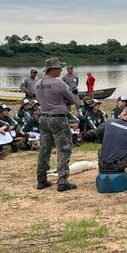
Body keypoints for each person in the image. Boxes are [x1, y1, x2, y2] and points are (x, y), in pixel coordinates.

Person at [35, 57, 79, 192]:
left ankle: (41, 180)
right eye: (59, 68)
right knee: (64, 149)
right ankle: (62, 181)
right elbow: (72, 98)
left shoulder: (38, 84)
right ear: (53, 69)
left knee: (44, 149)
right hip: (58, 118)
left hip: (43, 118)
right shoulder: (59, 84)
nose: (61, 70)